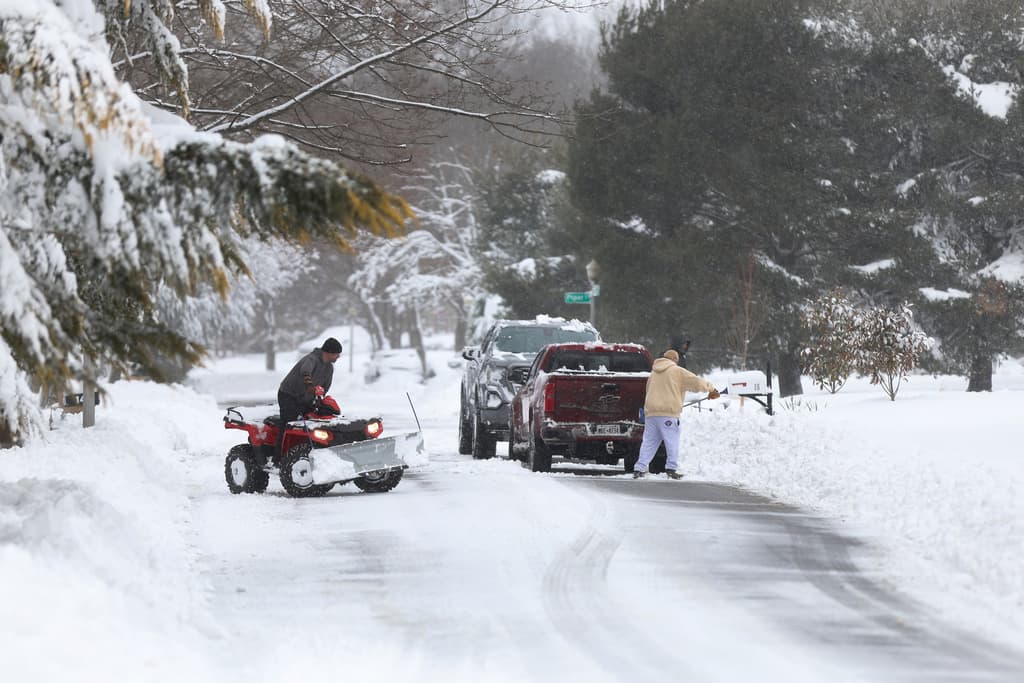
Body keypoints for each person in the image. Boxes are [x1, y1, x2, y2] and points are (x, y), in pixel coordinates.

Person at [634, 349, 719, 479]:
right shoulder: (676, 371)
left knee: (649, 442)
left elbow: (648, 390)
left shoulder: (654, 373)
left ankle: (639, 469)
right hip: (668, 413)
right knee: (672, 441)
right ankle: (671, 469)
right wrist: (711, 389)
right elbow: (696, 382)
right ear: (674, 360)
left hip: (651, 413)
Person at [276, 337, 343, 455]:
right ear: (329, 352)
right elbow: (305, 372)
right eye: (337, 354)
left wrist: (320, 398)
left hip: (306, 398)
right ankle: (278, 455)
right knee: (290, 422)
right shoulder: (311, 359)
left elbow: (324, 388)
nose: (338, 357)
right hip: (288, 395)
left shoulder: (329, 368)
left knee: (314, 420)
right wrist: (310, 387)